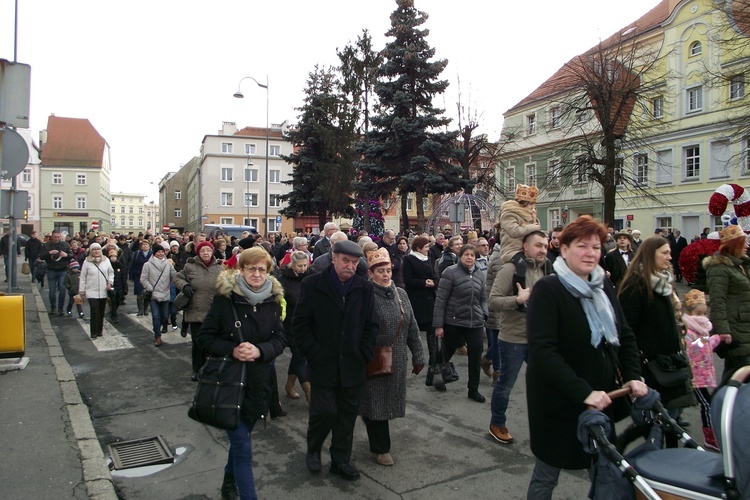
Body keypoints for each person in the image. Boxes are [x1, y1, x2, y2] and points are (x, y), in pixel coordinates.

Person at [525, 215, 647, 498]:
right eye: (582, 246)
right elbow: (543, 352)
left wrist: (633, 375)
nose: (591, 253)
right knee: (547, 474)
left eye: (596, 246)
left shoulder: (603, 286)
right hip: (559, 402)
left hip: (601, 400)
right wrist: (584, 393)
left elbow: (624, 335)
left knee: (606, 471)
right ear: (564, 249)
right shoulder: (549, 289)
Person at [195, 247, 287, 500]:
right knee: (244, 448)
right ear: (241, 269)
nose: (256, 274)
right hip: (229, 384)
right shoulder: (226, 299)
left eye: (262, 269)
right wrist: (233, 349)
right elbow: (204, 338)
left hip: (258, 384)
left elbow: (280, 339)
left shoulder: (273, 300)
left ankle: (228, 484)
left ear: (268, 271)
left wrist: (260, 351)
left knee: (240, 442)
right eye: (251, 268)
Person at [293, 239, 378, 481]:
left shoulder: (364, 288)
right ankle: (314, 447)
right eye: (345, 261)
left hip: (353, 364)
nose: (350, 266)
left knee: (347, 416)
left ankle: (340, 460)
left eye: (354, 262)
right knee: (324, 412)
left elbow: (371, 326)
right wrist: (313, 352)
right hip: (323, 363)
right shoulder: (313, 284)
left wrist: (364, 352)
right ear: (333, 258)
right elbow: (300, 324)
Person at [618, 235, 691, 444]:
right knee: (655, 421)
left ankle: (669, 456)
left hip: (670, 361)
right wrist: (634, 364)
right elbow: (627, 328)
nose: (670, 257)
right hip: (651, 364)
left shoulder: (663, 281)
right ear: (651, 255)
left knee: (671, 417)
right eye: (665, 253)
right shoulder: (637, 284)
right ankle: (629, 449)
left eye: (670, 252)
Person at [360, 248, 425, 466]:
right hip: (373, 359)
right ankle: (381, 448)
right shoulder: (365, 295)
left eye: (388, 270)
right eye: (380, 271)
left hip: (396, 360)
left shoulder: (401, 294)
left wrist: (418, 354)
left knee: (384, 403)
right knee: (375, 402)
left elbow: (412, 327)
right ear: (371, 273)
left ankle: (372, 429)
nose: (386, 275)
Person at [488, 231, 550, 444]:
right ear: (525, 246)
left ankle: (546, 425)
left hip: (539, 339)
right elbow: (493, 301)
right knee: (506, 384)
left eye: (545, 245)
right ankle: (497, 422)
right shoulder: (510, 269)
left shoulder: (547, 269)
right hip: (513, 338)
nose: (543, 249)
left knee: (546, 384)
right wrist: (517, 299)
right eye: (538, 245)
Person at [433, 244, 489, 402]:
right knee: (447, 352)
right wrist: (438, 325)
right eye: (467, 255)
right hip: (454, 321)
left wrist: (484, 313)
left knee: (476, 356)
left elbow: (483, 297)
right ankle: (439, 379)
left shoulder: (479, 274)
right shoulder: (450, 273)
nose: (470, 258)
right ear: (460, 256)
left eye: (472, 255)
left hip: (475, 322)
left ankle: (473, 389)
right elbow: (441, 300)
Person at [681, 289, 731, 451]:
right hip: (695, 375)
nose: (702, 316)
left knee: (707, 403)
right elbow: (694, 349)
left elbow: (707, 345)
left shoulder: (703, 330)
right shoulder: (689, 331)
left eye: (704, 313)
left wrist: (715, 339)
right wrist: (710, 340)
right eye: (698, 313)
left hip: (702, 372)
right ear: (689, 312)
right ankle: (710, 436)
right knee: (706, 404)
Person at [703, 224, 750, 386]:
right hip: (736, 329)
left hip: (745, 327)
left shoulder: (742, 265)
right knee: (741, 374)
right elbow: (717, 301)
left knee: (734, 376)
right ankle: (719, 407)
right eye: (743, 243)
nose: (747, 246)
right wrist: (723, 331)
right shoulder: (719, 268)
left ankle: (719, 407)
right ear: (734, 245)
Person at [173, 240, 223, 379]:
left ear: (212, 251)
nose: (205, 253)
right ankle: (197, 369)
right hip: (195, 310)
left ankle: (210, 368)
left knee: (213, 342)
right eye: (202, 251)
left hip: (214, 311)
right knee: (198, 342)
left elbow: (227, 284)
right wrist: (184, 286)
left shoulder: (220, 267)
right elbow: (176, 277)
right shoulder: (190, 265)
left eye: (208, 250)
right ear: (198, 252)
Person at [275, 251, 314, 402]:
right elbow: (279, 302)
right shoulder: (283, 279)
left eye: (305, 265)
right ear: (292, 265)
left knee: (300, 356)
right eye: (300, 266)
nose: (303, 268)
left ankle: (289, 384)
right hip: (289, 324)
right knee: (299, 355)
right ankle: (309, 391)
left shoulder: (311, 275)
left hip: (308, 324)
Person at [402, 236, 439, 381]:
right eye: (426, 247)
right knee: (411, 332)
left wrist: (433, 283)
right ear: (418, 248)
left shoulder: (428, 259)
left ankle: (434, 366)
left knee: (432, 335)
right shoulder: (409, 260)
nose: (428, 249)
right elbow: (408, 280)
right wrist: (424, 283)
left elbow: (435, 276)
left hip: (429, 300)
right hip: (416, 301)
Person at [140, 243, 176, 347]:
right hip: (153, 295)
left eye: (162, 252)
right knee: (156, 316)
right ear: (154, 253)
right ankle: (157, 336)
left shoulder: (168, 264)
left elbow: (174, 275)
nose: (160, 254)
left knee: (164, 316)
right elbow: (143, 279)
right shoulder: (147, 265)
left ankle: (157, 327)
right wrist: (150, 288)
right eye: (158, 252)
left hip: (165, 294)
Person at [498, 183, 541, 264]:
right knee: (522, 265)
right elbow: (515, 231)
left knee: (545, 262)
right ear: (523, 203)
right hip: (512, 251)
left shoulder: (527, 215)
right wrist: (532, 226)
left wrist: (534, 219)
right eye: (531, 204)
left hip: (525, 250)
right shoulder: (509, 214)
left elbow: (534, 234)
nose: (533, 207)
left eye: (533, 204)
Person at [79, 243, 114, 339]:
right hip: (91, 290)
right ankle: (93, 332)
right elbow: (82, 277)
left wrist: (110, 283)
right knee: (94, 310)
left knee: (101, 311)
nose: (96, 251)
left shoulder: (106, 260)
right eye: (94, 249)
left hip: (103, 290)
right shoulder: (87, 262)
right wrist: (82, 290)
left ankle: (99, 330)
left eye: (98, 249)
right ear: (91, 251)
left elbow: (111, 272)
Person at [40, 230, 72, 315]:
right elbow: (41, 256)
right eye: (55, 237)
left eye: (58, 237)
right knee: (52, 290)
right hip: (51, 269)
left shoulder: (65, 244)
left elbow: (71, 256)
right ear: (52, 237)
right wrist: (49, 253)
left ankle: (61, 308)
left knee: (62, 289)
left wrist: (66, 255)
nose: (57, 238)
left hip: (63, 269)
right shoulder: (46, 245)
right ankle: (53, 308)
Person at [130, 239, 153, 316]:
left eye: (146, 244)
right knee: (139, 294)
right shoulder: (137, 253)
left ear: (149, 246)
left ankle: (145, 309)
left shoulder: (152, 254)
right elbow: (132, 265)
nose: (145, 246)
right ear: (141, 246)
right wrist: (131, 276)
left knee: (148, 293)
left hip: (149, 276)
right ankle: (140, 310)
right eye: (143, 244)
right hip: (138, 276)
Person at [107, 247, 127, 324]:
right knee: (113, 300)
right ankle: (114, 315)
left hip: (119, 285)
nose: (113, 258)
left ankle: (113, 311)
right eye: (111, 256)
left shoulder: (120, 265)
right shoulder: (107, 265)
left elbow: (123, 276)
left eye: (115, 256)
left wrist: (125, 287)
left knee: (118, 300)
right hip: (112, 285)